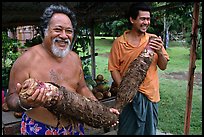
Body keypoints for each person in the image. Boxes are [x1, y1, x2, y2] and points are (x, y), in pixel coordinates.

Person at [6, 4, 119, 135]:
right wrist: (23, 103)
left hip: (74, 128)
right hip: (39, 129)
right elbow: (11, 98)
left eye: (69, 31)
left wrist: (101, 110)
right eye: (58, 29)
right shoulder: (26, 60)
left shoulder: (75, 58)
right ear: (45, 30)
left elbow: (82, 88)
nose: (64, 36)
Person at [108, 2, 169, 135]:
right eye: (142, 19)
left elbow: (163, 66)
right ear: (132, 19)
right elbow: (114, 69)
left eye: (148, 19)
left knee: (148, 131)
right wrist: (126, 90)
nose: (146, 22)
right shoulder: (119, 43)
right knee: (127, 131)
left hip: (150, 96)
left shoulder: (153, 40)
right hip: (129, 98)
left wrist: (159, 51)